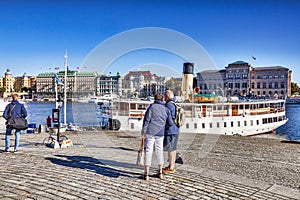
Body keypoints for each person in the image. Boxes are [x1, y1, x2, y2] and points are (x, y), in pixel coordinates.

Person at [141, 93, 174, 181]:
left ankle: (146, 173)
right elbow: (170, 123)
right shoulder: (166, 109)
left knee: (148, 151)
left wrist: (143, 133)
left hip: (150, 132)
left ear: (154, 99)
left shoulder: (151, 107)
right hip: (160, 133)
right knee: (159, 151)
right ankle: (160, 172)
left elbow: (146, 121)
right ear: (162, 99)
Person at [163, 89, 180, 174]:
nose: (164, 97)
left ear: (167, 96)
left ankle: (171, 166)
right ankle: (171, 165)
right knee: (173, 148)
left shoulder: (169, 105)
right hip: (176, 129)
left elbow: (169, 118)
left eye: (165, 95)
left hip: (170, 130)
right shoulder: (174, 104)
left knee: (170, 149)